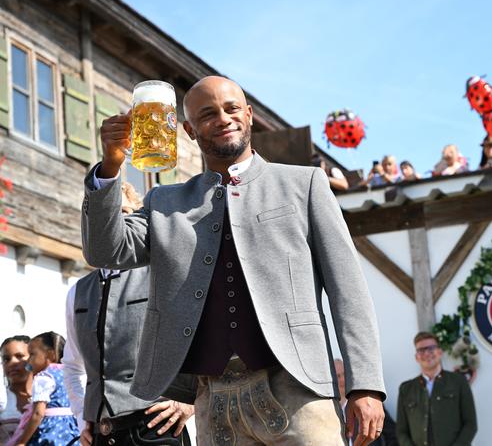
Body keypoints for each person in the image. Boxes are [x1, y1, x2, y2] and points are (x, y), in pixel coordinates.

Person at [82, 76, 385, 445]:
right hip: (213, 399)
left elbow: (348, 291)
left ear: (250, 114)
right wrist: (111, 167)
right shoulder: (164, 202)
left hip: (299, 390)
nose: (223, 118)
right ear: (189, 130)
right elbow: (104, 252)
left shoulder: (303, 184)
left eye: (231, 108)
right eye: (208, 114)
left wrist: (365, 386)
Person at [63, 183, 194, 446]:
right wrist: (82, 417)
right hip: (102, 433)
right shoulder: (77, 292)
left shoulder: (162, 275)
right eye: (107, 215)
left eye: (123, 211)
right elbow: (72, 365)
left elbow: (196, 337)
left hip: (155, 428)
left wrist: (191, 401)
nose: (115, 222)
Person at [396, 332, 477, 446]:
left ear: (440, 352)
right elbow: (401, 431)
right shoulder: (406, 389)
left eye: (431, 348)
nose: (427, 353)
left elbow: (470, 424)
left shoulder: (459, 382)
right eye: (421, 350)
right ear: (416, 357)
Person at [11, 332, 79, 446]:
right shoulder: (70, 375)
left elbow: (38, 413)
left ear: (50, 355)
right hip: (72, 431)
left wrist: (22, 442)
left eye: (32, 354)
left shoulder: (44, 377)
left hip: (49, 433)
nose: (28, 360)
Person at [0, 336, 32, 443]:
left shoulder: (52, 396)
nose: (12, 363)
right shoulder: (2, 399)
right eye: (6, 359)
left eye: (19, 356)